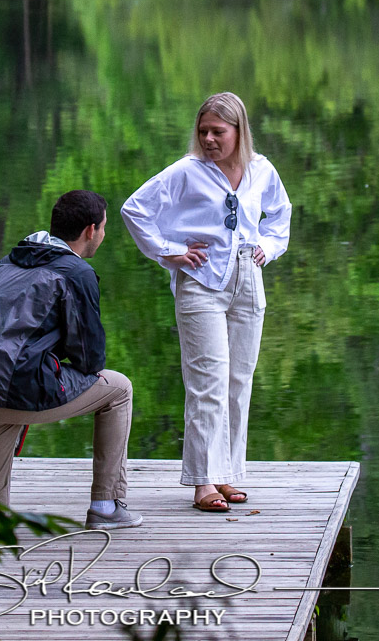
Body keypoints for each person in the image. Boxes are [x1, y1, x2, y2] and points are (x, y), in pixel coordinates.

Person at [121, 92, 291, 513]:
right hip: (201, 280)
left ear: (239, 131)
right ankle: (202, 482)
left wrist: (267, 248)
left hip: (248, 278)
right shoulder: (186, 171)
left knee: (239, 380)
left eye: (218, 131)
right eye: (203, 131)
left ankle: (228, 474)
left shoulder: (261, 171)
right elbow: (134, 209)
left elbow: (281, 215)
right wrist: (168, 251)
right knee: (207, 381)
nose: (210, 139)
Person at [0, 190, 142, 531]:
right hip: (14, 393)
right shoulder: (76, 273)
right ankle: (107, 506)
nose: (103, 235)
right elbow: (90, 359)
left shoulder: (6, 263)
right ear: (91, 230)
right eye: (105, 228)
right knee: (119, 388)